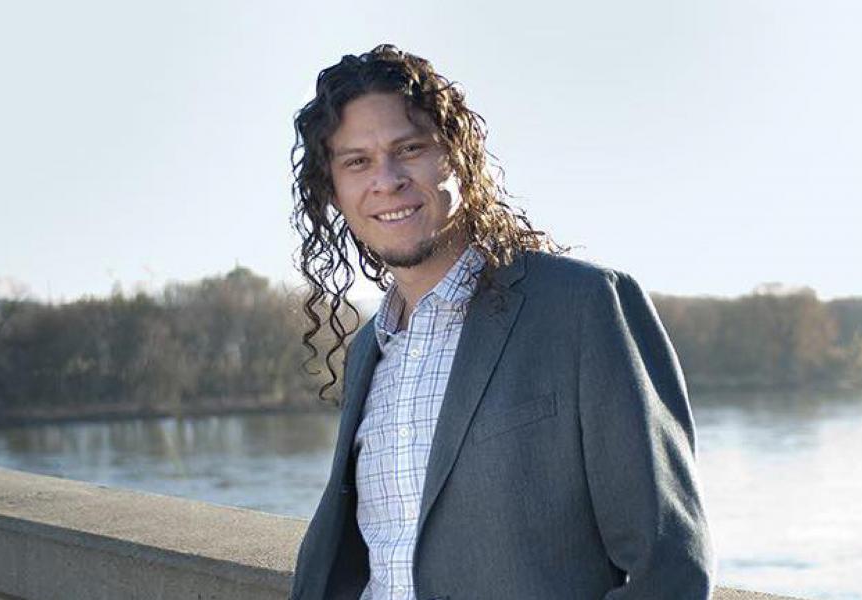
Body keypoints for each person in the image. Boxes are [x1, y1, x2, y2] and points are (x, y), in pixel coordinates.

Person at [288, 44, 714, 600]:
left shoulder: (582, 307)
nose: (386, 180)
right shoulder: (372, 346)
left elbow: (670, 568)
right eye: (357, 161)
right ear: (334, 191)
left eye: (410, 148)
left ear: (459, 158)